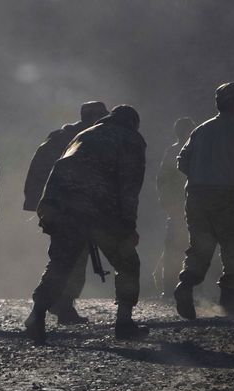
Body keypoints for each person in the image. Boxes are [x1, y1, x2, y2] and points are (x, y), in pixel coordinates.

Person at [24, 105, 148, 344]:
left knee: (60, 264)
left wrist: (47, 208)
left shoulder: (85, 134)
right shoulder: (130, 139)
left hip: (63, 207)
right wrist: (129, 225)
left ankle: (36, 316)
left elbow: (57, 169)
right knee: (128, 263)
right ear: (133, 123)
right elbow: (129, 186)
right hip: (101, 210)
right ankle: (124, 323)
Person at [174, 82, 234, 319]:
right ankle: (229, 301)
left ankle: (185, 286)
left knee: (200, 248)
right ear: (233, 104)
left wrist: (201, 176)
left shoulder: (201, 129)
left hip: (197, 196)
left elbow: (182, 161)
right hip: (226, 197)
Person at [23, 101, 109, 324]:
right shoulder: (89, 139)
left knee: (64, 254)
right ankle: (60, 304)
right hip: (75, 207)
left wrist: (36, 203)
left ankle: (59, 304)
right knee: (74, 257)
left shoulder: (59, 138)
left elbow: (37, 171)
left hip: (55, 206)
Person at [155, 117, 196, 301]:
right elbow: (163, 180)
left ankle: (170, 288)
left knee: (175, 247)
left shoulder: (172, 151)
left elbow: (161, 180)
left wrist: (166, 201)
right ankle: (174, 287)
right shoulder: (193, 150)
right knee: (181, 246)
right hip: (186, 206)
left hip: (183, 206)